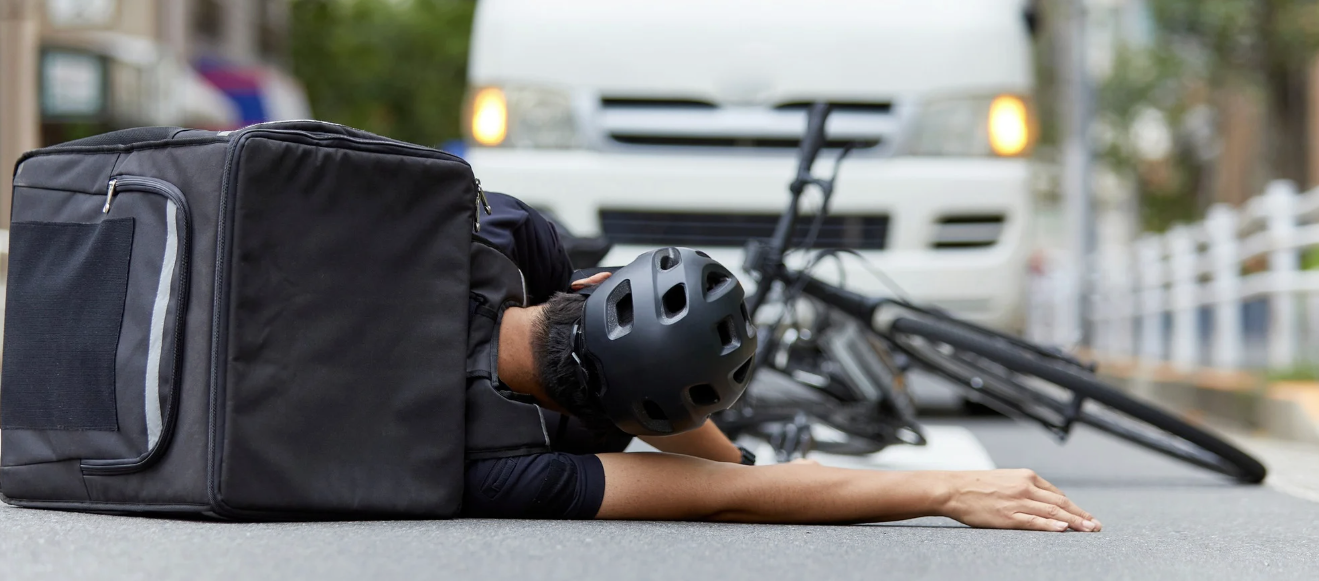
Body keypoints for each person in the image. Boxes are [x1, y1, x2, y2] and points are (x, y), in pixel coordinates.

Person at [470, 192, 1102, 532]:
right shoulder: (510, 474)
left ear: (592, 282)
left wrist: (739, 465)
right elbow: (727, 494)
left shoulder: (498, 239)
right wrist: (952, 489)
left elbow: (733, 483)